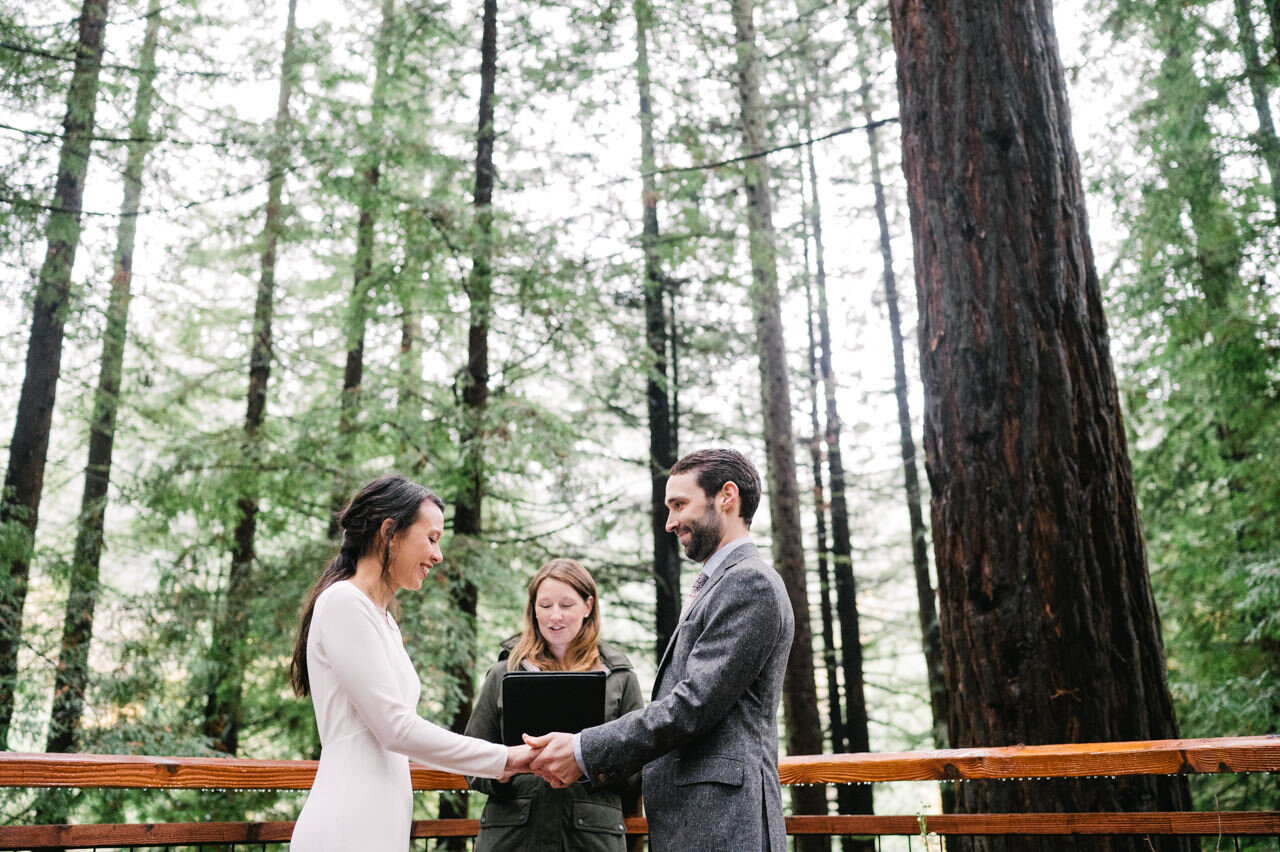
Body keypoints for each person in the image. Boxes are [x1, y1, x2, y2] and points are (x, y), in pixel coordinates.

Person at [526, 449, 793, 851]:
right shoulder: (722, 582)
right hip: (699, 821)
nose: (670, 523)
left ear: (727, 496)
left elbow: (692, 705)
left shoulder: (749, 584)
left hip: (723, 823)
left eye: (680, 505)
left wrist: (583, 749)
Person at [289, 474, 533, 852]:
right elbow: (396, 728)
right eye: (432, 538)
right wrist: (508, 757)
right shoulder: (343, 603)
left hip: (382, 826)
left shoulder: (383, 618)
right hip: (345, 826)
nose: (438, 555)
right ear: (389, 532)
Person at [465, 558, 645, 852]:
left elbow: (638, 765)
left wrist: (587, 760)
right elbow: (471, 756)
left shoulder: (619, 676)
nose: (555, 617)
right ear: (533, 609)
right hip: (513, 836)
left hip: (590, 838)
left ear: (588, 606)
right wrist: (506, 767)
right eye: (545, 606)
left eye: (566, 605)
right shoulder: (504, 673)